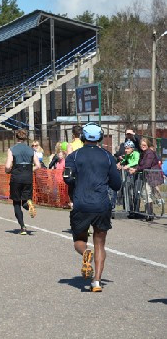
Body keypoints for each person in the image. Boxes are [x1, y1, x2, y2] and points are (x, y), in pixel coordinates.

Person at [64, 123, 121, 292]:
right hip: (102, 204)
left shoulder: (73, 156)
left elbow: (67, 178)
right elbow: (116, 184)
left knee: (79, 241)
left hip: (81, 203)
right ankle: (96, 281)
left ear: (82, 137)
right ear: (100, 138)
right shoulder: (108, 156)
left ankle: (85, 254)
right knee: (100, 244)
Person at [5, 130, 41, 235]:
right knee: (25, 199)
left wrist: (9, 171)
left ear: (16, 138)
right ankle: (29, 204)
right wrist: (30, 170)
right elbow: (38, 165)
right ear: (25, 138)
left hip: (16, 177)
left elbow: (7, 166)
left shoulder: (12, 149)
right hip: (28, 177)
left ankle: (23, 227)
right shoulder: (31, 150)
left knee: (16, 203)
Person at [129, 138, 162, 218]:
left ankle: (150, 213)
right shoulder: (143, 153)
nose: (142, 146)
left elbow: (147, 165)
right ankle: (150, 212)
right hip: (147, 175)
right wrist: (134, 168)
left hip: (152, 175)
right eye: (141, 145)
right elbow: (140, 164)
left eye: (144, 145)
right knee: (145, 193)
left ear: (147, 145)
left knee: (147, 192)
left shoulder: (150, 153)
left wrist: (135, 170)